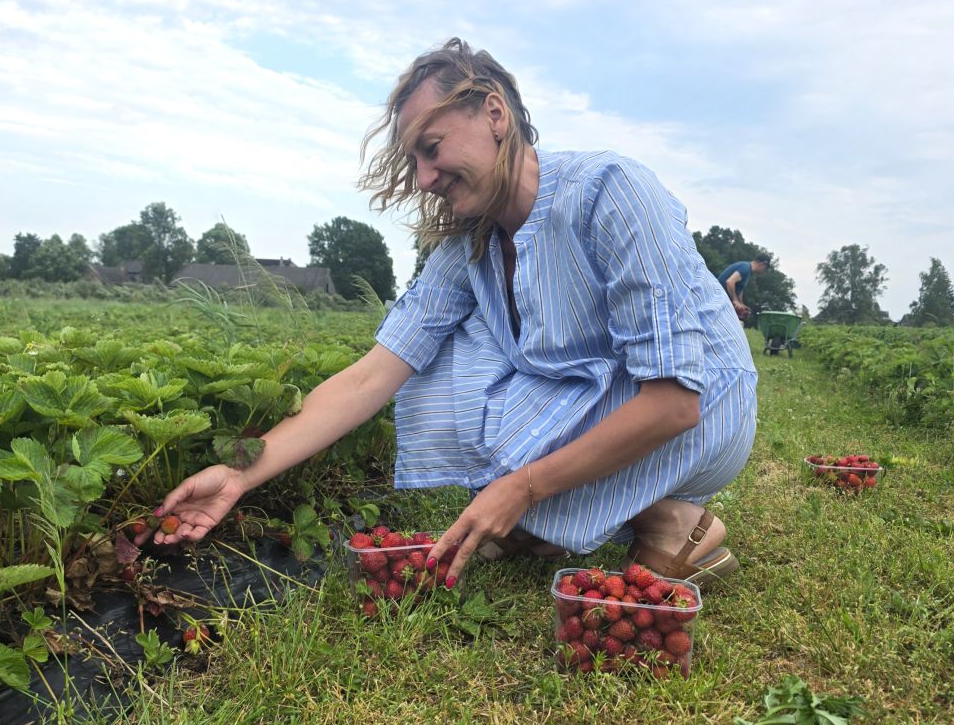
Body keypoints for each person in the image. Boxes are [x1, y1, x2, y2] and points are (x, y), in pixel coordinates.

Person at [141, 38, 756, 590]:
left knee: (511, 460)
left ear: (494, 113)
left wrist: (525, 485)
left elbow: (676, 400)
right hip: (604, 397)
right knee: (441, 369)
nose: (425, 177)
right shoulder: (471, 244)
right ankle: (564, 518)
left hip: (705, 409)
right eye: (414, 161)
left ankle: (672, 522)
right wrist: (240, 474)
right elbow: (371, 377)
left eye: (431, 150)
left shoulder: (610, 192)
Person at [717, 255, 771, 321]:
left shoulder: (748, 271)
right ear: (762, 264)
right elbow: (730, 282)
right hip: (717, 298)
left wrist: (741, 304)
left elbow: (740, 289)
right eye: (765, 268)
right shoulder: (745, 268)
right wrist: (735, 300)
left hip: (722, 300)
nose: (764, 271)